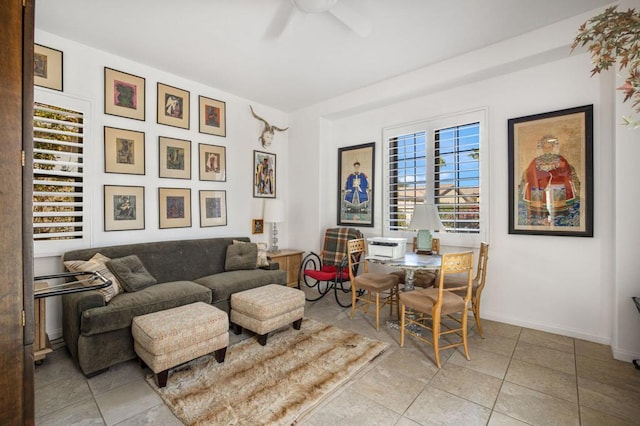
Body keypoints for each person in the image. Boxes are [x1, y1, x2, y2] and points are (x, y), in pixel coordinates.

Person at [521, 134, 579, 219]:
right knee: (538, 186)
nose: (547, 149)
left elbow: (565, 170)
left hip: (556, 181)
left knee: (556, 187)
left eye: (549, 147)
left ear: (552, 147)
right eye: (545, 147)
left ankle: (560, 210)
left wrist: (555, 172)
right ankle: (538, 210)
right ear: (542, 148)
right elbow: (530, 172)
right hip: (540, 182)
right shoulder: (536, 160)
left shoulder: (559, 158)